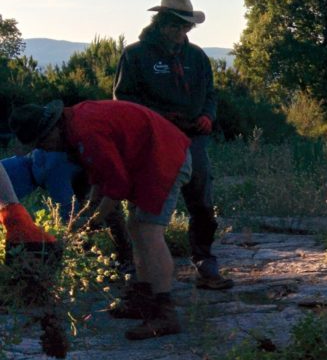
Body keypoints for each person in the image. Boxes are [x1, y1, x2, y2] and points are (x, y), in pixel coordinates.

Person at [10, 99, 192, 340]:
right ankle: (143, 298)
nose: (47, 149)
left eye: (44, 142)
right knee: (135, 227)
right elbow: (101, 175)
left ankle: (165, 313)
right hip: (148, 158)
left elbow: (117, 187)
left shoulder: (86, 131)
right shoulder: (75, 126)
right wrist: (89, 209)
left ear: (52, 128)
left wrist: (93, 220)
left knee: (149, 231)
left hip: (163, 158)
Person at [114, 0, 231, 290]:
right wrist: (161, 119)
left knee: (202, 199)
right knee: (146, 206)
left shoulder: (197, 58)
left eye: (186, 28)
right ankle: (141, 268)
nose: (182, 33)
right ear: (161, 24)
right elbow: (124, 99)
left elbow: (211, 95)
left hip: (194, 139)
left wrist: (208, 115)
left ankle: (204, 259)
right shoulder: (136, 55)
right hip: (154, 142)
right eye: (176, 27)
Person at [1, 148, 133, 273]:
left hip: (71, 167)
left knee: (89, 214)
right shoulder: (47, 164)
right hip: (44, 167)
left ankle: (119, 258)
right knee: (89, 214)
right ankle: (112, 256)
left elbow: (69, 216)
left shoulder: (53, 170)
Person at [0, 160, 67, 357]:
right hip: (40, 241)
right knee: (36, 299)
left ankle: (49, 323)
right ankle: (49, 322)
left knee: (30, 299)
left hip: (26, 243)